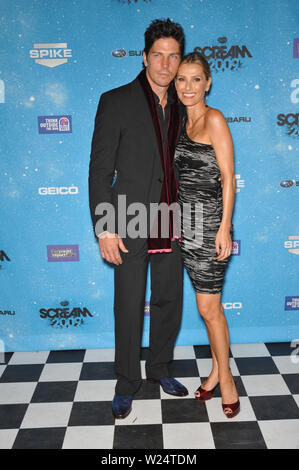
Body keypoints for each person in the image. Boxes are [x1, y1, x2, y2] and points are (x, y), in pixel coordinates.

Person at [89, 19, 188, 420]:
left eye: (174, 56)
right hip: (127, 219)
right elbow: (99, 171)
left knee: (169, 299)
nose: (166, 64)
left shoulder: (187, 103)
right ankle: (127, 381)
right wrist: (104, 227)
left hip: (174, 217)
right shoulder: (115, 100)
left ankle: (160, 368)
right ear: (144, 56)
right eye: (158, 55)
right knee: (129, 303)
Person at [174, 52, 240, 418]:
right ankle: (215, 372)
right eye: (182, 79)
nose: (188, 86)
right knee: (208, 309)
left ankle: (226, 379)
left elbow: (229, 178)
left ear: (208, 83)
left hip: (210, 225)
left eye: (195, 79)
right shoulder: (180, 122)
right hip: (185, 226)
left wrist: (224, 227)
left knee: (208, 309)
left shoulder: (214, 119)